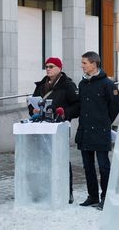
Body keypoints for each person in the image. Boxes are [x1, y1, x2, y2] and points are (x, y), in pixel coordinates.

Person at [28, 57, 80, 204]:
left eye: (51, 66)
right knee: (43, 160)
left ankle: (67, 192)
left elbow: (77, 106)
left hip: (59, 127)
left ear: (59, 68)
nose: (48, 69)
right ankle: (45, 190)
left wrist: (64, 113)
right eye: (46, 66)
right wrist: (34, 110)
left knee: (61, 159)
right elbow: (32, 103)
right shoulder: (41, 85)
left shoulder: (68, 85)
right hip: (41, 126)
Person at [75, 51, 119, 210]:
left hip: (101, 131)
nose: (82, 66)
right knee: (87, 166)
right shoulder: (82, 84)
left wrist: (104, 121)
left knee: (103, 166)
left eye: (84, 63)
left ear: (94, 64)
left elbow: (115, 107)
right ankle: (92, 196)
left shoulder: (108, 84)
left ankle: (105, 198)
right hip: (85, 130)